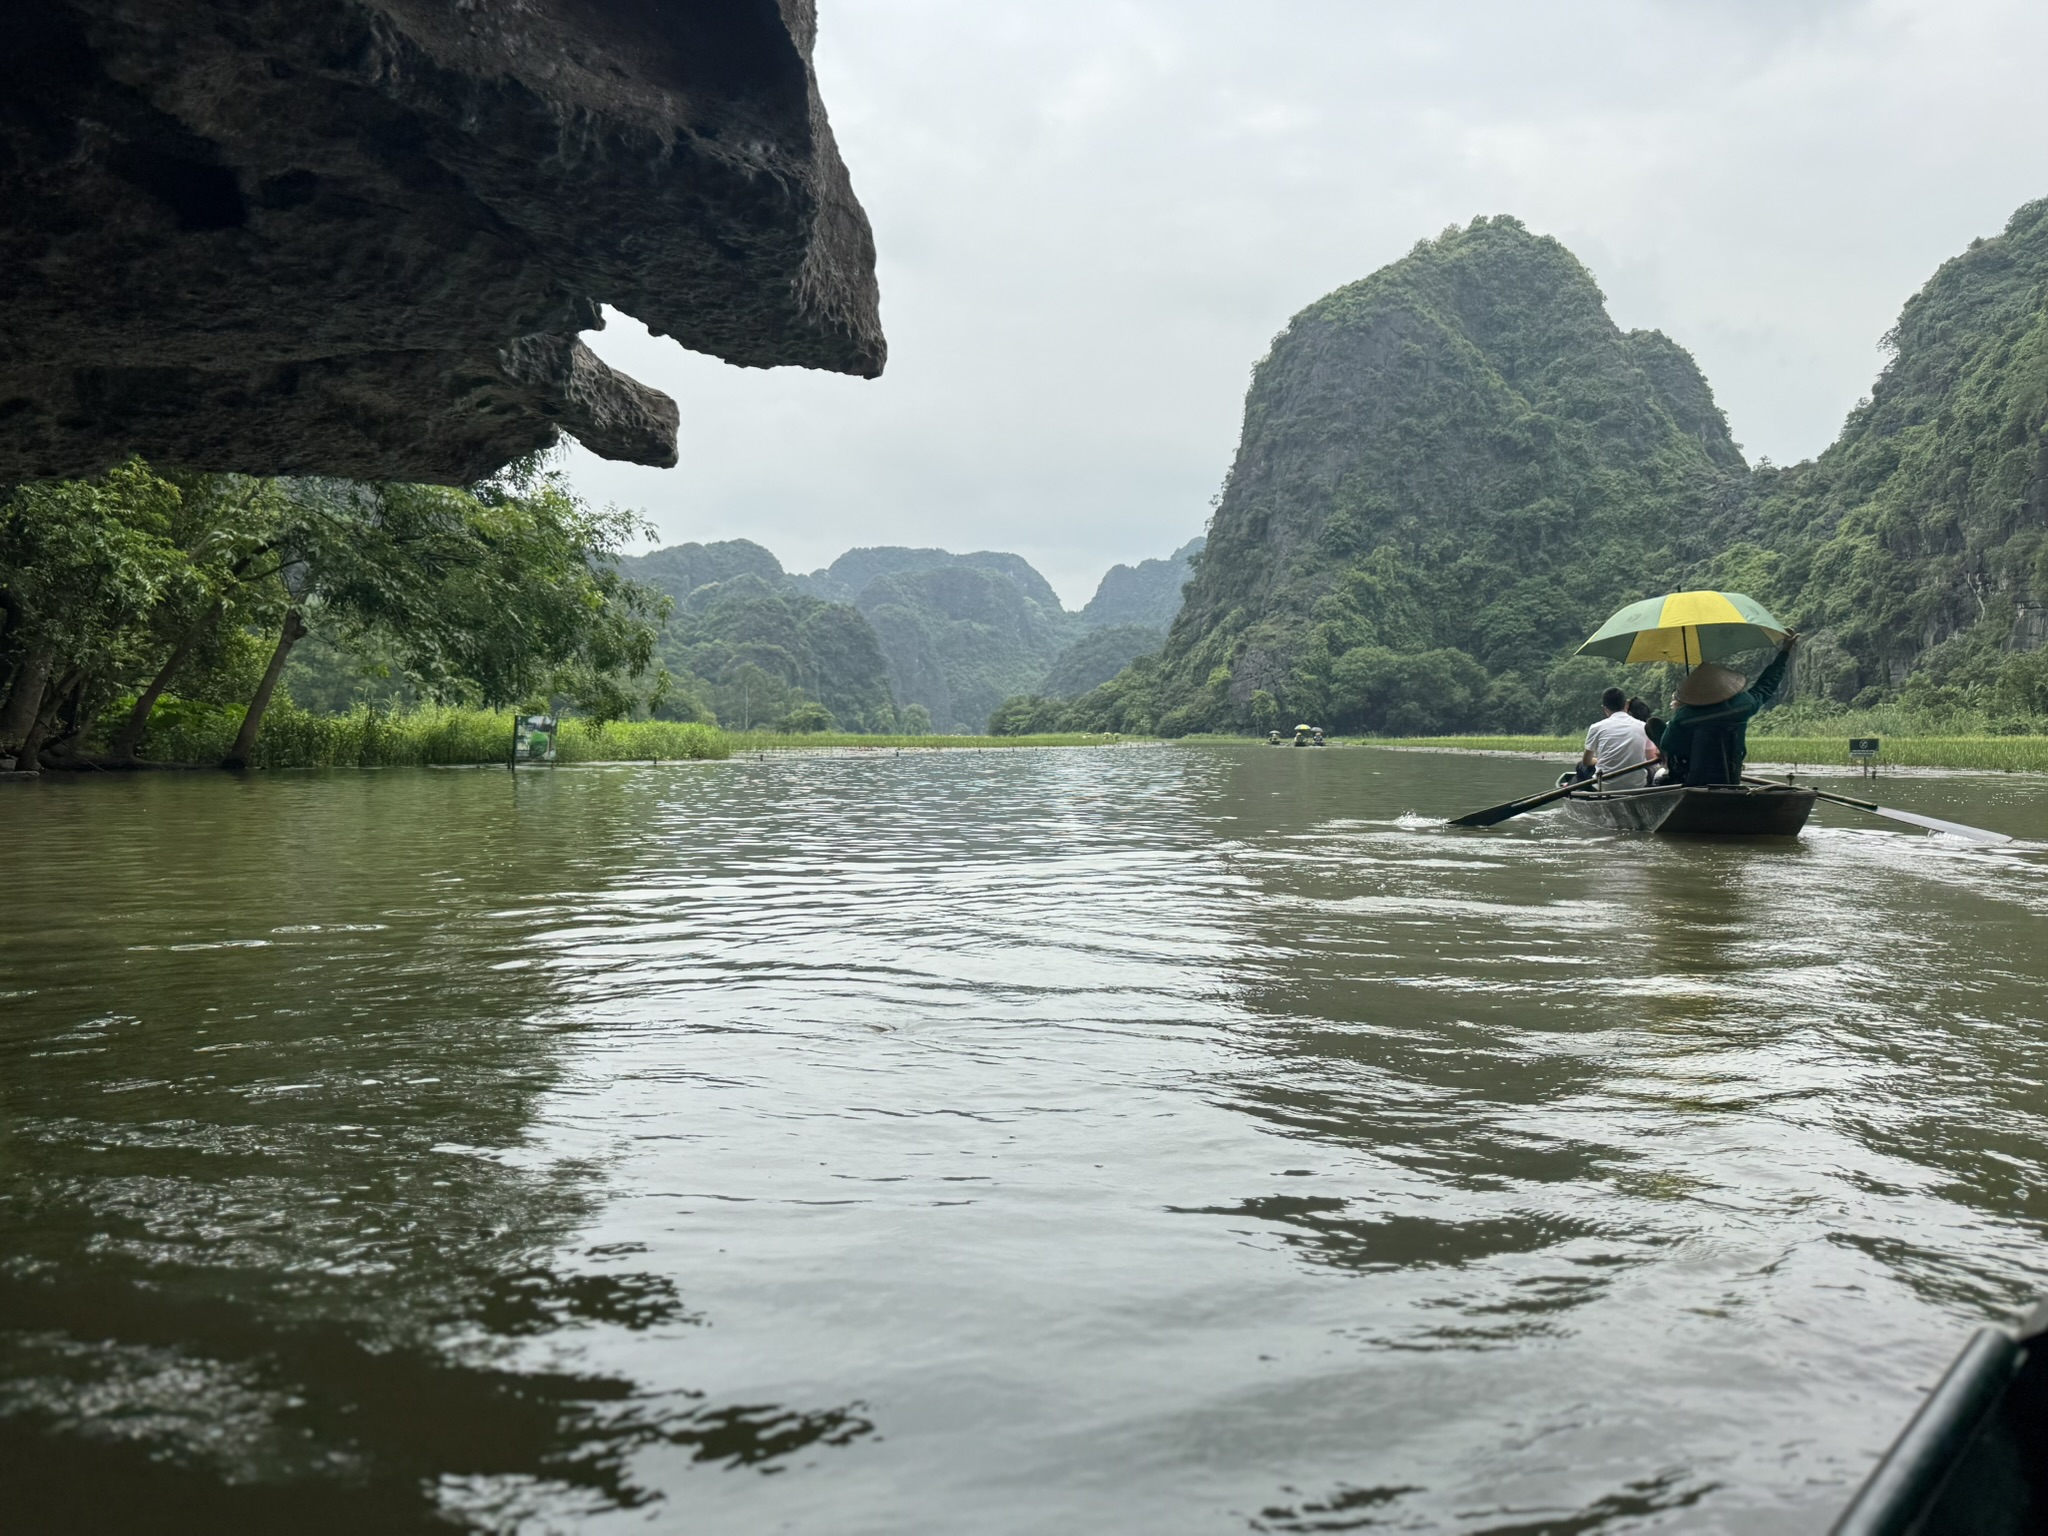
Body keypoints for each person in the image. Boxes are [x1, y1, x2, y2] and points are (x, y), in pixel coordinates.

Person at [1657, 634, 1799, 787]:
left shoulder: (1683, 716)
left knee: (1654, 725)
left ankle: (1670, 775)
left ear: (1696, 693)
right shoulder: (1744, 705)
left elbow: (1668, 745)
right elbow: (1766, 685)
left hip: (1692, 777)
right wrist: (1785, 651)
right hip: (1732, 775)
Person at [1579, 685, 1653, 786]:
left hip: (1604, 786)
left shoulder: (1596, 727)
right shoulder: (1644, 727)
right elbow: (1651, 760)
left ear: (1605, 709)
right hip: (1637, 785)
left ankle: (1583, 795)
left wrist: (1602, 760)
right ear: (1626, 705)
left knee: (1581, 766)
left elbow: (1586, 761)